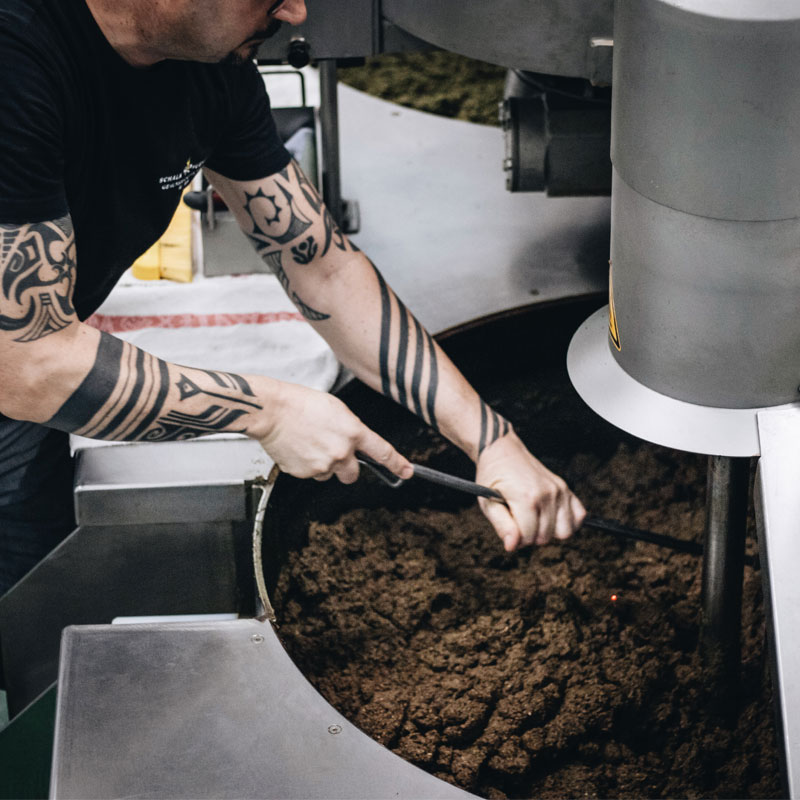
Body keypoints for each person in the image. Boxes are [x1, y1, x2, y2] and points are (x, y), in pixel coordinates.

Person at [0, 0, 586, 596]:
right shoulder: (16, 61)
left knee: (30, 578)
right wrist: (270, 411)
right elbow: (28, 363)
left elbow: (323, 268)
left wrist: (491, 440)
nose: (297, 12)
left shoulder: (212, 67)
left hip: (25, 414)